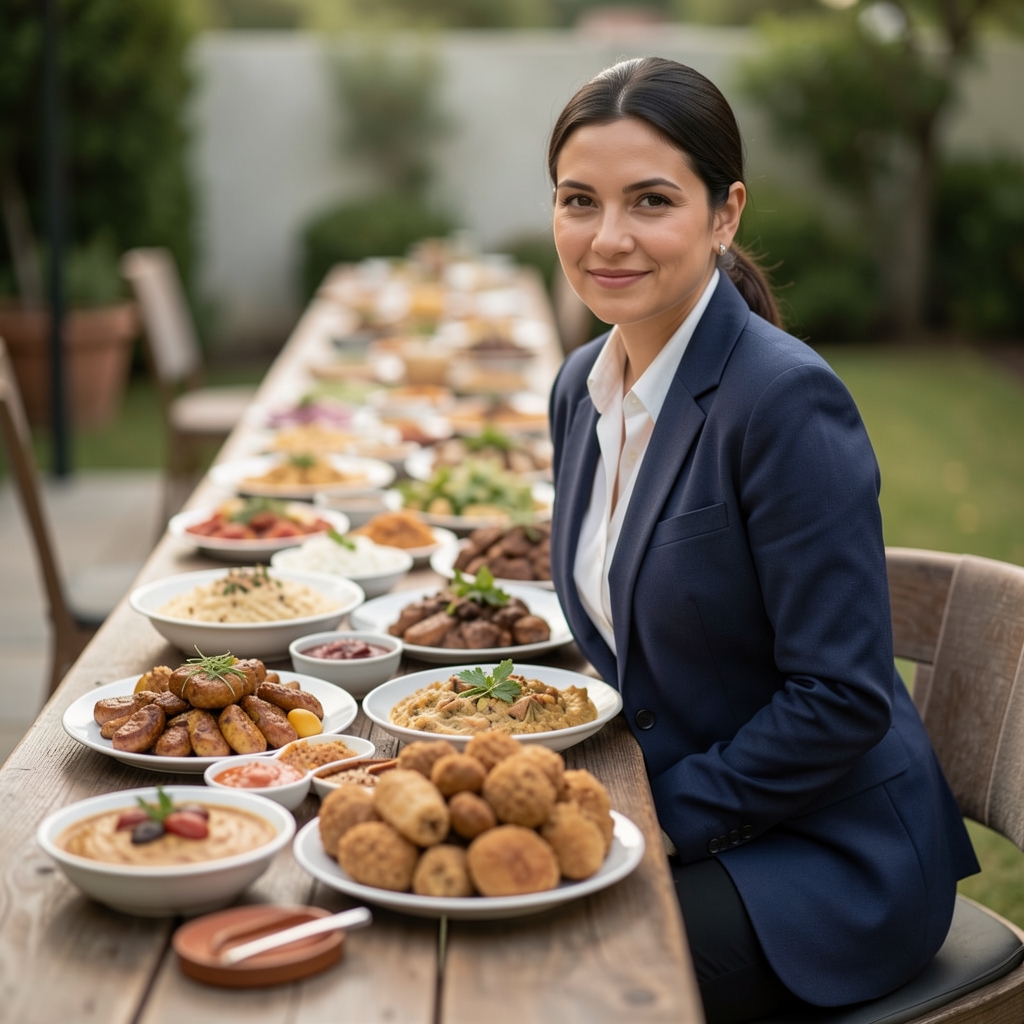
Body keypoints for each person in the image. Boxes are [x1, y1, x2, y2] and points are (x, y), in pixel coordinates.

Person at [546, 57, 979, 1024]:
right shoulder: (578, 387)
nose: (607, 237)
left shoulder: (784, 400)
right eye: (580, 200)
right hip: (683, 807)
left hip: (829, 860)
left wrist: (648, 821)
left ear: (725, 212)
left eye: (650, 200)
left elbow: (843, 695)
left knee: (566, 975)